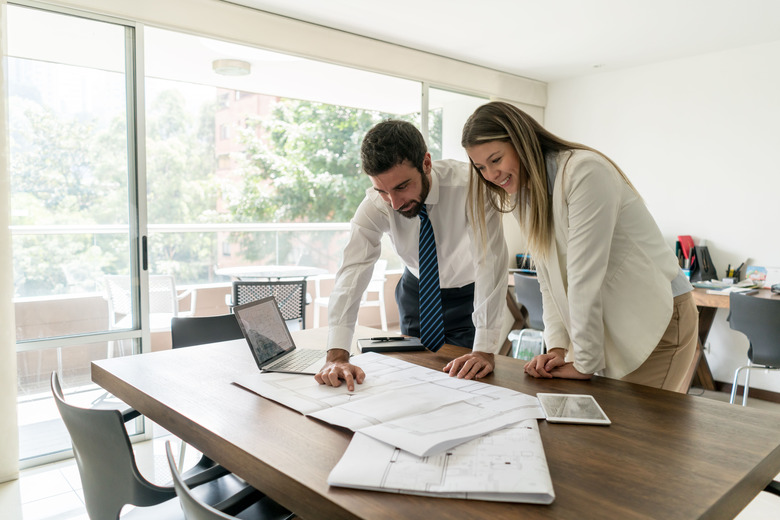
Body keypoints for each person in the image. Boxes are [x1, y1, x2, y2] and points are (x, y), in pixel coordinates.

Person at [461, 102, 698, 392]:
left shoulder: (585, 172)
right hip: (613, 322)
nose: (491, 175)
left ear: (522, 141)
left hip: (657, 316)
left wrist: (584, 363)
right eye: (481, 167)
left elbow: (583, 276)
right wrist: (558, 347)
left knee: (639, 433)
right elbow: (548, 280)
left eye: (496, 159)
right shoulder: (526, 195)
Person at [315, 120, 508, 391]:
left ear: (426, 164)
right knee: (411, 379)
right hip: (416, 293)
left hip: (468, 297)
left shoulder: (472, 187)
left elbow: (490, 262)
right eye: (383, 190)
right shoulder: (376, 205)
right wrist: (336, 355)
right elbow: (352, 272)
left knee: (465, 385)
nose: (394, 203)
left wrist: (485, 349)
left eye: (402, 187)